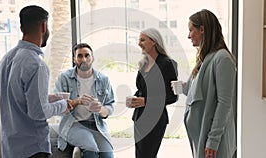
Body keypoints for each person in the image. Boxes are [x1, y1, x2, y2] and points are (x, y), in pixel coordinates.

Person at [0, 5, 72, 158]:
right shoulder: (36, 64)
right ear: (44, 26)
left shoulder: (5, 60)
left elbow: (16, 98)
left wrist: (49, 98)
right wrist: (64, 105)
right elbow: (39, 112)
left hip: (10, 149)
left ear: (22, 27)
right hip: (32, 149)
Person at [180, 9, 237, 158]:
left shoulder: (222, 58)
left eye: (191, 30)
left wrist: (213, 140)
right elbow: (196, 90)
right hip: (201, 136)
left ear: (202, 29)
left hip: (213, 141)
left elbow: (224, 104)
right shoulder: (205, 60)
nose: (188, 35)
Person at [54, 43, 115, 158]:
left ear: (92, 58)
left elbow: (110, 106)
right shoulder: (64, 78)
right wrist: (76, 101)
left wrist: (101, 109)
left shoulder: (103, 79)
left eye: (87, 55)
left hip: (97, 125)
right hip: (73, 124)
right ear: (74, 59)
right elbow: (57, 108)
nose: (84, 59)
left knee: (107, 155)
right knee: (91, 149)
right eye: (80, 56)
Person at [126, 28, 178, 158]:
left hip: (155, 119)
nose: (139, 44)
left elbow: (173, 96)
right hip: (139, 117)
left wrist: (146, 101)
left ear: (154, 41)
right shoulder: (144, 63)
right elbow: (142, 89)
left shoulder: (167, 64)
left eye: (142, 40)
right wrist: (135, 98)